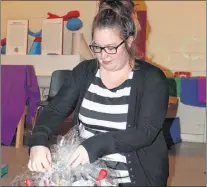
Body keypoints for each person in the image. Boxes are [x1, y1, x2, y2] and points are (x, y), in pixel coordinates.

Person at [28, 0, 169, 186]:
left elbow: (145, 131)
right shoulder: (84, 72)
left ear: (129, 40)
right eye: (97, 47)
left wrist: (95, 145)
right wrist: (38, 140)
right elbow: (55, 110)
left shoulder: (152, 79)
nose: (103, 55)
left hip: (133, 179)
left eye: (111, 48)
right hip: (88, 177)